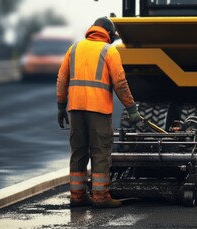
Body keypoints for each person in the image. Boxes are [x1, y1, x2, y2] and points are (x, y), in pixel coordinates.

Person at [56, 17, 141, 208]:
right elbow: (120, 83)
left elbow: (62, 78)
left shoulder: (74, 48)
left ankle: (77, 196)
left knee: (78, 152)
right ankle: (101, 197)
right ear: (109, 34)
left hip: (76, 110)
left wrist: (61, 106)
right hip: (99, 111)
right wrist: (132, 109)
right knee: (100, 152)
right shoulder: (109, 51)